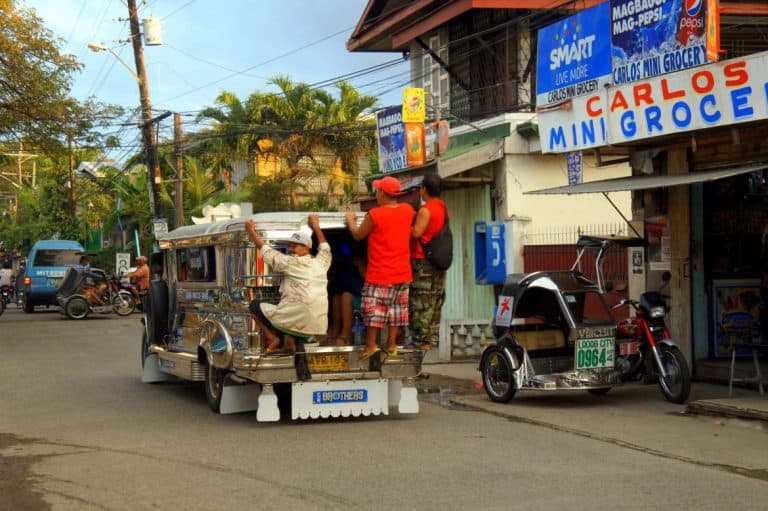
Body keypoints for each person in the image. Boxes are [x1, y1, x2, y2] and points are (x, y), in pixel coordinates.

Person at [346, 176, 415, 360]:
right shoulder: (408, 210)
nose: (376, 193)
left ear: (382, 193)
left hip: (380, 272)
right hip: (402, 272)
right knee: (397, 311)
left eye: (377, 190)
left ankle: (370, 345)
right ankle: (391, 344)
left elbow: (358, 235)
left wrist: (351, 220)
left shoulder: (375, 215)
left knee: (374, 310)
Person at [245, 214, 331, 354]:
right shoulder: (321, 264)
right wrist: (316, 226)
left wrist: (251, 232)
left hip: (298, 321)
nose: (291, 249)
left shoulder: (291, 263)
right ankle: (289, 343)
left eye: (295, 246)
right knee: (289, 309)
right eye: (290, 246)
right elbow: (325, 248)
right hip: (318, 326)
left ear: (306, 248)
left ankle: (273, 338)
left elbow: (266, 251)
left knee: (253, 306)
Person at [409, 173, 448, 351]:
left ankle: (418, 338)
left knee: (421, 301)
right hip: (438, 262)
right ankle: (429, 339)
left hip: (423, 262)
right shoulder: (443, 207)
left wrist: (404, 220)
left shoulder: (426, 210)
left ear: (424, 189)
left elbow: (416, 233)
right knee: (435, 299)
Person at [326, 251, 366, 346]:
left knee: (346, 296)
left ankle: (345, 333)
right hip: (351, 293)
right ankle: (335, 329)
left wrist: (361, 265)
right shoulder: (345, 265)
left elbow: (369, 279)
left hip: (366, 297)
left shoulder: (365, 262)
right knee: (336, 297)